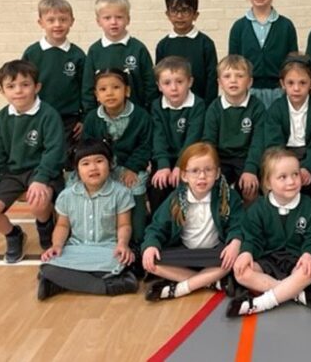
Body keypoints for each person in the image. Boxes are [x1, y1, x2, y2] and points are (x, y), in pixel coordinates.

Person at [0, 60, 65, 263]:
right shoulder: (2, 118)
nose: (18, 91)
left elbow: (54, 151)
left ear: (37, 87)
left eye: (25, 84)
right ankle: (13, 235)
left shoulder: (48, 115)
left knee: (38, 200)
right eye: (11, 86)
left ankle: (45, 225)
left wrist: (41, 178)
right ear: (2, 91)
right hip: (13, 174)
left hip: (41, 172)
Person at [227, 148, 311, 316]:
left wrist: (309, 254)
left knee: (307, 272)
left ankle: (261, 303)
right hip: (268, 261)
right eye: (283, 177)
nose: (291, 181)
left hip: (297, 261)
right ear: (267, 182)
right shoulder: (258, 208)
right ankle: (294, 293)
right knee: (242, 273)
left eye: (295, 174)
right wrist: (246, 252)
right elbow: (252, 238)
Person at [141, 142, 244, 301]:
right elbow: (156, 227)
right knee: (151, 262)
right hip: (186, 254)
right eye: (195, 171)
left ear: (217, 173)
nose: (202, 176)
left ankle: (180, 288)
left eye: (208, 170)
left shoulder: (227, 196)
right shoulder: (176, 199)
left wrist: (235, 243)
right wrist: (151, 245)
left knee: (233, 258)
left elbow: (238, 225)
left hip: (215, 255)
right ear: (184, 175)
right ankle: (212, 282)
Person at [37, 139, 138, 299]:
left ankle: (59, 283)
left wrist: (122, 244)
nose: (93, 168)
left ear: (110, 164)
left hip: (107, 249)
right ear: (77, 170)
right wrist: (56, 245)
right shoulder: (67, 195)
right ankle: (107, 285)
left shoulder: (121, 193)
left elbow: (124, 224)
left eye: (99, 161)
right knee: (47, 266)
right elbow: (62, 225)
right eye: (85, 163)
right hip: (76, 249)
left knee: (120, 262)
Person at [81, 68, 152, 245]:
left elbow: (145, 146)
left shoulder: (141, 116)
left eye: (116, 87)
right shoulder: (92, 118)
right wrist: (98, 168)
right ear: (96, 95)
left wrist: (132, 168)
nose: (110, 93)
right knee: (76, 184)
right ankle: (90, 235)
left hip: (131, 166)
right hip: (102, 167)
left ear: (127, 91)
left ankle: (137, 239)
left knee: (135, 186)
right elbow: (88, 148)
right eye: (103, 89)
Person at [21, 0, 85, 168]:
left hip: (69, 119)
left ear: (72, 21)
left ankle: (69, 190)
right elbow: (24, 85)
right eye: (51, 20)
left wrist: (83, 117)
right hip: (39, 115)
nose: (57, 24)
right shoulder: (32, 53)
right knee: (42, 153)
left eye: (63, 20)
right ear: (40, 23)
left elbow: (85, 88)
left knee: (67, 156)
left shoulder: (78, 55)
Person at [265, 53, 311, 205]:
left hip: (310, 159)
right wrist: (290, 169)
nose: (296, 88)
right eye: (291, 83)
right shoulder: (276, 110)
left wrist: (306, 167)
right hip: (283, 156)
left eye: (302, 83)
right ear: (282, 84)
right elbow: (273, 143)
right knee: (281, 186)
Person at [228, 0, 298, 108]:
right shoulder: (239, 27)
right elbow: (233, 63)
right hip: (248, 92)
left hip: (279, 92)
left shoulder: (286, 26)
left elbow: (292, 62)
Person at [202, 55, 266, 203]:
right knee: (212, 186)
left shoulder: (257, 108)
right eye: (227, 76)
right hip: (220, 159)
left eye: (239, 76)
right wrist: (212, 167)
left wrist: (250, 169)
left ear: (250, 82)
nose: (233, 80)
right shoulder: (214, 108)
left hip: (246, 158)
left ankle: (250, 219)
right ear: (220, 83)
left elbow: (258, 143)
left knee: (250, 187)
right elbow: (209, 142)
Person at [81, 0, 157, 113]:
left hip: (137, 116)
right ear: (98, 21)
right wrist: (90, 115)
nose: (113, 22)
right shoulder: (94, 51)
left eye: (119, 17)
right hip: (103, 118)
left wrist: (148, 112)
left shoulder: (138, 48)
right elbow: (88, 88)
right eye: (107, 18)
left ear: (128, 19)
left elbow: (150, 85)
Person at [149, 56, 206, 212]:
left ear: (190, 82)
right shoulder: (156, 106)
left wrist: (181, 165)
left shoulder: (198, 105)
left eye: (179, 82)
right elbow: (158, 137)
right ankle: (159, 229)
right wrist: (163, 166)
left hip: (189, 159)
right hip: (165, 158)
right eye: (167, 83)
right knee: (158, 185)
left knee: (186, 187)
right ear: (159, 86)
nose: (174, 88)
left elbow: (193, 139)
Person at [155, 0, 218, 105]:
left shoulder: (205, 44)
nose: (179, 16)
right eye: (174, 11)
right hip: (171, 108)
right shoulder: (163, 45)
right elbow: (160, 79)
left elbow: (212, 81)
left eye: (185, 10)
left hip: (200, 108)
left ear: (195, 14)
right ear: (167, 14)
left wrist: (208, 108)